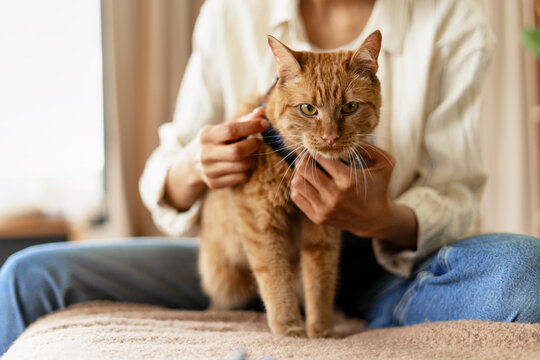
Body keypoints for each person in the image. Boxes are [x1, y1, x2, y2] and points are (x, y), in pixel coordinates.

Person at [1, 0, 539, 354]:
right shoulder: (231, 12)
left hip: (385, 263)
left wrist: (384, 217)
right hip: (244, 251)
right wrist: (196, 164)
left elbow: (457, 196)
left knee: (527, 270)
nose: (329, 129)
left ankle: (362, 316)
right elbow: (163, 171)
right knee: (28, 274)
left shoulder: (455, 20)